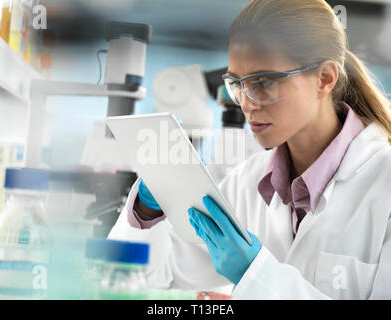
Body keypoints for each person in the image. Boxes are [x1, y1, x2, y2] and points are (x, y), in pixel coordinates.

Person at [109, 0, 391, 299]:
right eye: (237, 84)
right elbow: (141, 273)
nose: (246, 103)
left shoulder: (383, 185)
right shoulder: (247, 183)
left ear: (325, 79)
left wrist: (256, 277)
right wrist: (147, 207)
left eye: (264, 82)